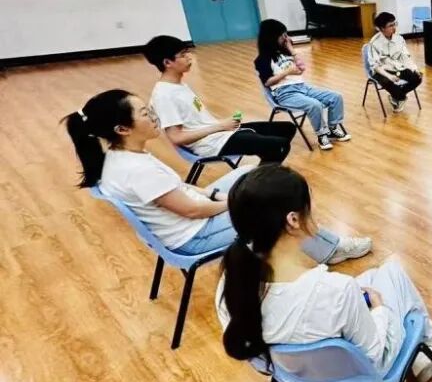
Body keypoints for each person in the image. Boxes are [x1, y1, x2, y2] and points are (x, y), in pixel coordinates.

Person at [216, 164, 432, 382]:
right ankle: (425, 348)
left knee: (372, 277)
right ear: (293, 220)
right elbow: (376, 355)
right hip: (363, 375)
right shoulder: (334, 289)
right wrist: (379, 309)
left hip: (296, 376)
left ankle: (423, 350)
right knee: (392, 273)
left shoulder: (232, 285)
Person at [63, 90, 371, 262]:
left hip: (189, 219)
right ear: (122, 129)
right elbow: (192, 211)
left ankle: (315, 242)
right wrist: (234, 201)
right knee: (278, 204)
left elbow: (180, 192)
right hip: (195, 235)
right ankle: (331, 249)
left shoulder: (119, 158)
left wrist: (215, 194)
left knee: (251, 173)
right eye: (145, 113)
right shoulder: (137, 170)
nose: (154, 117)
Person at [144, 35, 296, 164]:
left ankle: (265, 171)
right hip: (209, 144)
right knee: (278, 145)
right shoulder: (164, 95)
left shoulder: (179, 85)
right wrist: (220, 126)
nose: (189, 57)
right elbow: (177, 138)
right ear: (167, 62)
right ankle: (261, 180)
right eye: (183, 55)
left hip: (218, 133)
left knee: (286, 128)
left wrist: (221, 125)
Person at [255, 19, 350, 151]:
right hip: (285, 94)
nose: (286, 38)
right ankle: (321, 135)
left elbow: (302, 68)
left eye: (286, 34)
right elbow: (267, 82)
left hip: (302, 87)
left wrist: (291, 49)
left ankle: (333, 128)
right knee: (314, 105)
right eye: (282, 35)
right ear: (271, 37)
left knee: (336, 97)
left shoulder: (286, 52)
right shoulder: (262, 59)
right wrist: (286, 72)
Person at [368, 12, 423, 112]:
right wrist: (389, 76)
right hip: (381, 71)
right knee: (387, 81)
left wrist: (414, 68)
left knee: (417, 78)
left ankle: (396, 96)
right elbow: (375, 66)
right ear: (382, 28)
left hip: (397, 68)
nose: (394, 28)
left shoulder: (399, 39)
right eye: (390, 25)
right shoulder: (374, 43)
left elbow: (406, 57)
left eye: (394, 24)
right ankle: (401, 97)